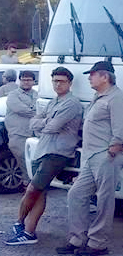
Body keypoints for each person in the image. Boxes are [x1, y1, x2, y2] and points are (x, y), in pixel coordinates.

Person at [57, 61, 123, 256]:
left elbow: (122, 129)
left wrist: (112, 151)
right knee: (76, 194)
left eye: (93, 74)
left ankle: (98, 243)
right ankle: (77, 239)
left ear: (105, 77)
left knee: (104, 199)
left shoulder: (117, 98)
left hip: (106, 156)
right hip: (91, 156)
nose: (89, 78)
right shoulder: (98, 97)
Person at [6, 67, 82, 246]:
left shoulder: (71, 103)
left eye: (62, 81)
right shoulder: (53, 102)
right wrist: (45, 122)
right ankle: (29, 232)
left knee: (33, 188)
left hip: (57, 153)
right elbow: (33, 122)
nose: (58, 84)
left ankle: (19, 223)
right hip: (43, 149)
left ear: (70, 83)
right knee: (39, 192)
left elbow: (52, 127)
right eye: (55, 81)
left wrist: (43, 123)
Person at [5, 70, 38, 186]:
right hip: (17, 134)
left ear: (34, 82)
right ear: (19, 81)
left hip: (33, 134)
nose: (26, 82)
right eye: (23, 80)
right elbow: (22, 110)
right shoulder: (13, 95)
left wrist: (35, 111)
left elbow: (43, 109)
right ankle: (27, 185)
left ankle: (33, 186)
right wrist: (36, 112)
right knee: (23, 160)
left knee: (33, 162)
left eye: (29, 80)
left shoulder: (37, 94)